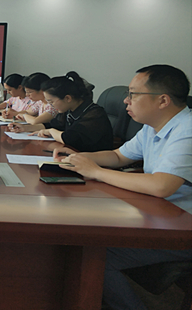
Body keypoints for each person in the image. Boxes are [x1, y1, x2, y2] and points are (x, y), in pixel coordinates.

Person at [53, 65, 192, 310]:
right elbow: (118, 156)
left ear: (163, 100)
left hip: (182, 228)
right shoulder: (153, 126)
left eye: (133, 94)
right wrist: (78, 158)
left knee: (93, 256)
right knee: (85, 237)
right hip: (160, 214)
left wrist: (96, 172)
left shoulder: (187, 130)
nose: (126, 100)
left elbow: (162, 186)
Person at [8, 71, 113, 152]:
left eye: (51, 101)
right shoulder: (69, 110)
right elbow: (52, 125)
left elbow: (70, 138)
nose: (51, 105)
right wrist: (25, 128)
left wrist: (51, 132)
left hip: (92, 161)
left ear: (67, 98)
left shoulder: (94, 114)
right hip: (73, 155)